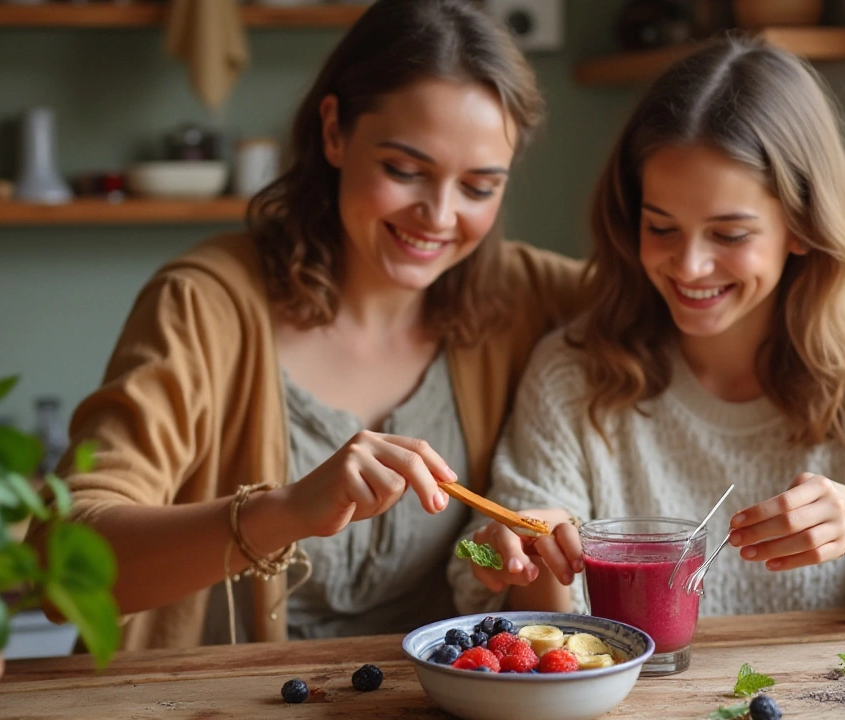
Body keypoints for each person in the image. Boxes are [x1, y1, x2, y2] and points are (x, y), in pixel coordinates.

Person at [30, 0, 583, 650]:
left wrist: (519, 552)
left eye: (480, 187)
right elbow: (58, 566)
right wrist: (284, 512)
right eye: (405, 170)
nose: (438, 215)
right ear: (334, 132)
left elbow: (691, 287)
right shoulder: (205, 305)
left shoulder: (526, 295)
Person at [451, 37, 845, 619]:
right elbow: (509, 595)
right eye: (661, 228)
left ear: (801, 226)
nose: (689, 267)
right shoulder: (572, 374)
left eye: (730, 234)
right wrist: (528, 556)